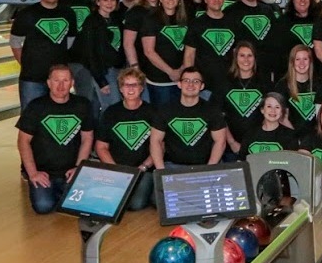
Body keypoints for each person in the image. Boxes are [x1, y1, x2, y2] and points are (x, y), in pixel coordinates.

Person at [17, 65, 94, 214]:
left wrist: (79, 168)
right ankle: (57, 193)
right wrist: (33, 173)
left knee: (81, 207)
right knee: (43, 207)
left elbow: (87, 137)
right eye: (56, 80)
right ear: (48, 83)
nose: (60, 85)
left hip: (70, 171)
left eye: (65, 80)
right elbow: (23, 141)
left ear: (72, 82)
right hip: (44, 172)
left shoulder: (82, 105)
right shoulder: (36, 107)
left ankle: (62, 193)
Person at [12, 0, 78, 108]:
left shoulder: (68, 13)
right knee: (31, 120)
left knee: (56, 116)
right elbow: (15, 42)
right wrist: (26, 63)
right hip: (32, 78)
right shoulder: (27, 14)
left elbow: (71, 41)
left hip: (59, 79)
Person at [95, 68, 156, 210]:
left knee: (135, 204)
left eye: (134, 84)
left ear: (141, 88)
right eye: (126, 85)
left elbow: (160, 146)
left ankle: (151, 189)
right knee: (110, 201)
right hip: (117, 169)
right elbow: (101, 147)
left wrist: (144, 166)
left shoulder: (152, 112)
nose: (130, 88)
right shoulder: (111, 113)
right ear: (120, 89)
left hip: (143, 169)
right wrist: (117, 170)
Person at [149, 67, 227, 170]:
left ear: (202, 86)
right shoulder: (165, 110)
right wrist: (161, 171)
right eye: (186, 81)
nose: (191, 84)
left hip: (204, 166)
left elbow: (220, 141)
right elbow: (155, 141)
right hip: (172, 166)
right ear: (179, 84)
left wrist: (209, 169)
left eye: (196, 81)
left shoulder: (212, 110)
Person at [75, 0, 125, 120]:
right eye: (105, 0)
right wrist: (101, 81)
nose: (109, 3)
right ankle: (104, 140)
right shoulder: (91, 22)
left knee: (115, 107)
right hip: (103, 72)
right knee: (111, 109)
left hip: (116, 71)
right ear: (97, 2)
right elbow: (91, 53)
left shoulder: (116, 19)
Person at [217, 42, 272, 159]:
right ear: (235, 58)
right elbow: (218, 117)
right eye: (242, 55)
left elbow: (272, 113)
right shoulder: (225, 82)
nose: (246, 60)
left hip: (259, 145)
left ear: (255, 58)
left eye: (250, 55)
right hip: (231, 148)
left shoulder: (264, 82)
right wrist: (231, 142)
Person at [182, 0, 239, 91]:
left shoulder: (233, 23)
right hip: (204, 85)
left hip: (229, 83)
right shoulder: (196, 24)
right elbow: (189, 55)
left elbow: (237, 53)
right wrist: (190, 81)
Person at [140, 0, 188, 106]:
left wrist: (183, 69)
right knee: (163, 118)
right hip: (160, 80)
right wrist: (171, 72)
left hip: (183, 78)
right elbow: (149, 51)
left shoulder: (186, 18)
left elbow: (191, 48)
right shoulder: (151, 18)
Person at [269, 0, 317, 81]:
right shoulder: (282, 22)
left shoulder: (319, 20)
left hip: (315, 76)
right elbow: (276, 53)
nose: (302, 0)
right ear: (293, 0)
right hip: (288, 76)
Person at [277, 45, 320, 137]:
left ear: (310, 61)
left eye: (305, 59)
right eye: (297, 59)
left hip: (315, 140)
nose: (302, 63)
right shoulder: (282, 85)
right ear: (292, 62)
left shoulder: (319, 84)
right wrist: (296, 140)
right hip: (291, 139)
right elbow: (282, 118)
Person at [240, 92, 298, 158]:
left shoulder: (290, 135)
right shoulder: (250, 134)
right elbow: (241, 161)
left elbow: (293, 163)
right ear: (262, 110)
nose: (273, 111)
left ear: (282, 111)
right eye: (269, 106)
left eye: (277, 107)